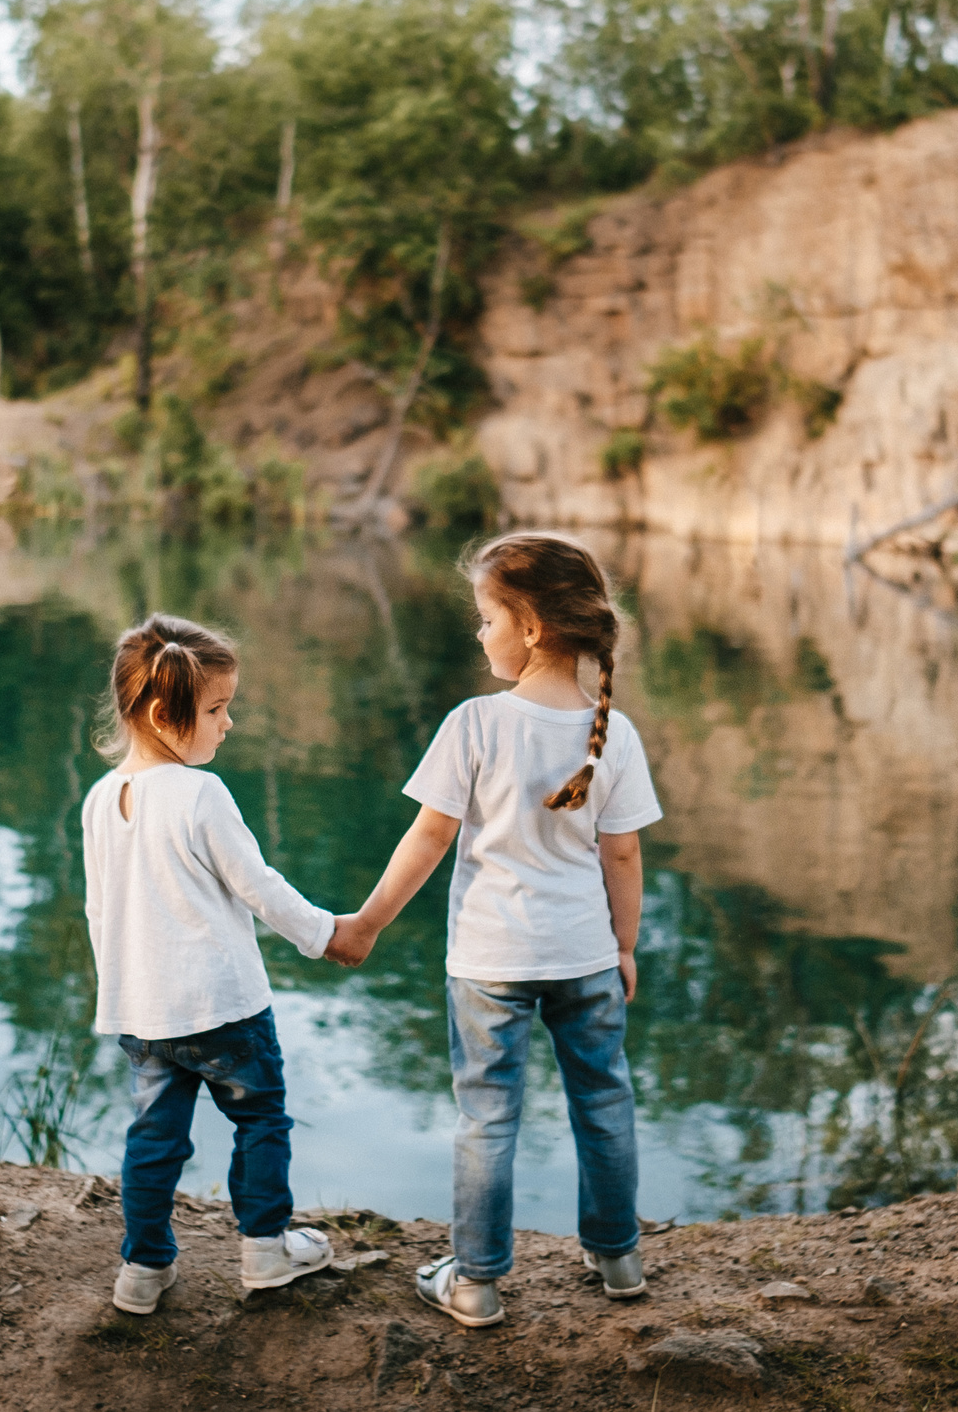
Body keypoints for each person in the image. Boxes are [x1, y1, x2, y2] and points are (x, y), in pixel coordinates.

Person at [325, 533, 663, 1328]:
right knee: (605, 1100)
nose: (480, 634)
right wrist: (623, 945)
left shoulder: (476, 724)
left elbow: (429, 838)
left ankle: (475, 1280)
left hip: (489, 962)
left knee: (487, 1115)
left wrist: (368, 920)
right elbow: (624, 852)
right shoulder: (613, 731)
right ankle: (618, 1255)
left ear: (532, 628)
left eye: (486, 618)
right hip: (583, 957)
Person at [82, 612, 365, 1314]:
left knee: (154, 1137)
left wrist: (119, 991)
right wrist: (327, 933)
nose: (227, 723)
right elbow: (259, 886)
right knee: (260, 1118)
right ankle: (266, 1250)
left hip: (143, 1012)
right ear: (159, 712)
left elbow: (100, 911)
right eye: (215, 709)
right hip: (224, 1007)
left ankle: (143, 1268)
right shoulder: (201, 793)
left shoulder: (99, 799)